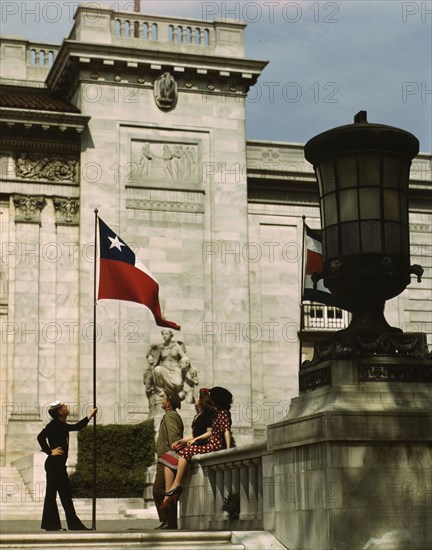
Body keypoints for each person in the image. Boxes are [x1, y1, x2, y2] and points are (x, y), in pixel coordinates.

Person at [161, 386, 233, 509]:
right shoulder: (216, 413)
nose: (196, 398)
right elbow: (201, 433)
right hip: (212, 443)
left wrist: (228, 449)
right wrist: (185, 440)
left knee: (184, 453)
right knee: (175, 455)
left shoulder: (221, 413)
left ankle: (176, 484)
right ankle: (173, 488)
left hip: (214, 445)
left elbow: (225, 431)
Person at [36, 400, 97, 531]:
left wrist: (90, 415)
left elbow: (77, 426)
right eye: (64, 406)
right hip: (54, 465)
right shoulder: (55, 425)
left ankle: (58, 525)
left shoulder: (61, 425)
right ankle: (61, 525)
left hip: (57, 465)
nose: (67, 407)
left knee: (63, 495)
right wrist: (49, 451)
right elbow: (40, 437)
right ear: (60, 412)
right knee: (58, 495)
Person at [153, 389, 184, 530]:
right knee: (166, 490)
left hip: (167, 459)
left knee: (159, 490)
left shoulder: (170, 416)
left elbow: (174, 439)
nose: (162, 400)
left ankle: (168, 521)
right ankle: (169, 522)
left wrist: (169, 457)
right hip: (166, 458)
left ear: (169, 402)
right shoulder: (171, 415)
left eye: (164, 398)